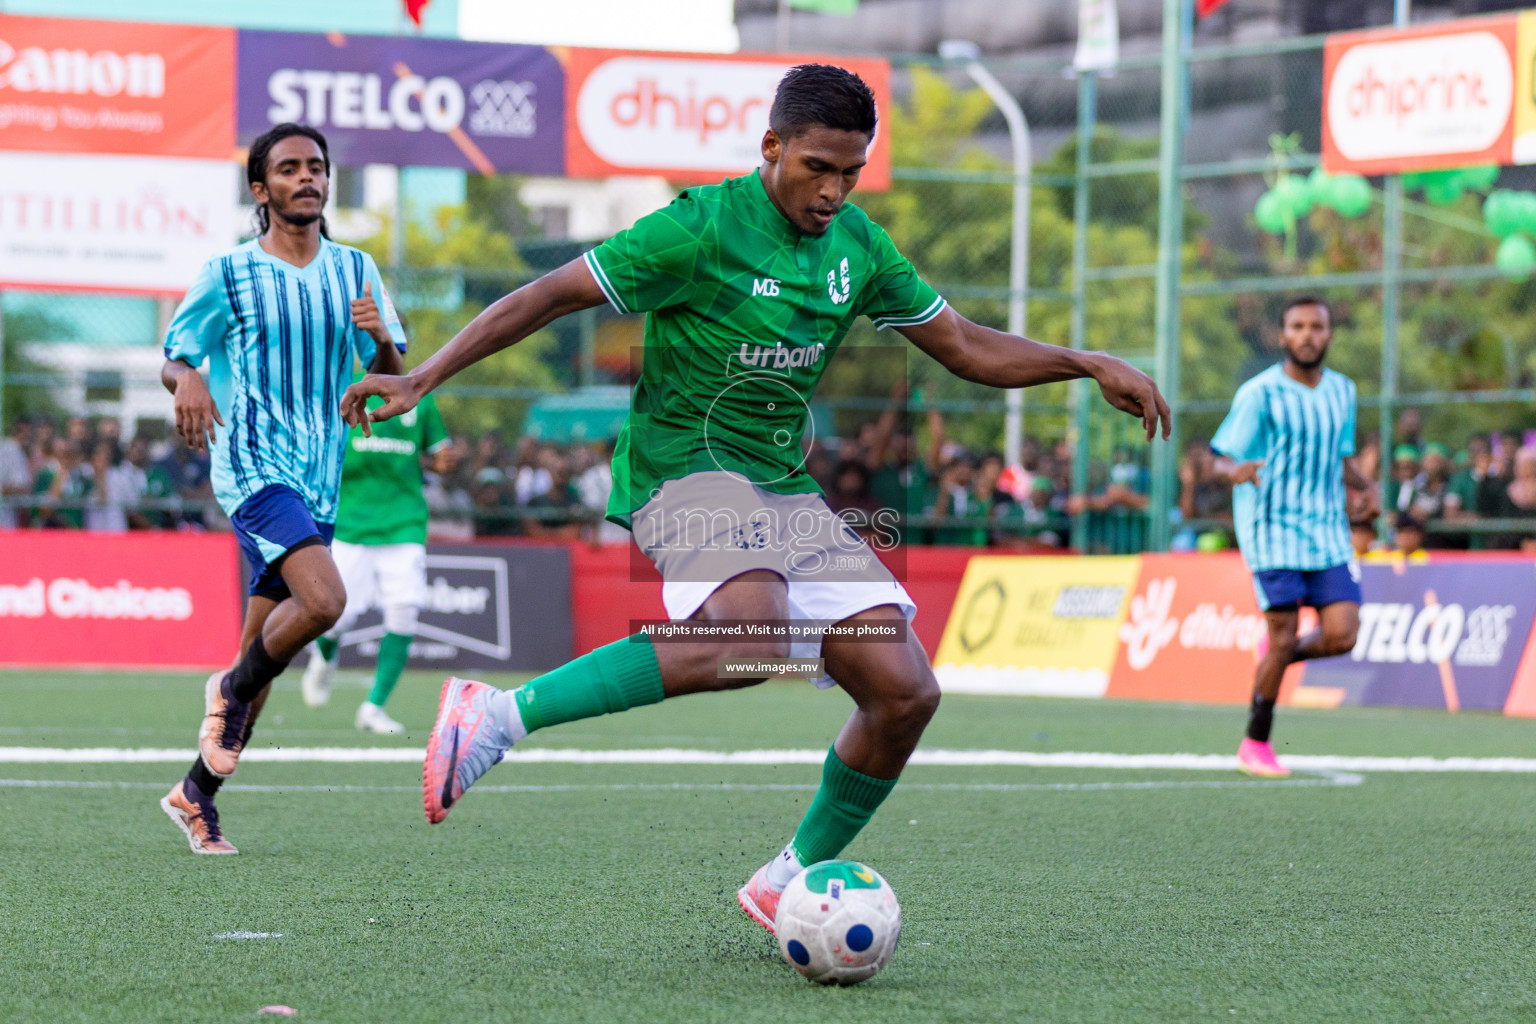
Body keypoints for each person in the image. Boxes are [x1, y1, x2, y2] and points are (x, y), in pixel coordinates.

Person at [340, 64, 1168, 932]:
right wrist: (424, 376)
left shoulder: (860, 249)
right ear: (771, 147)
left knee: (904, 691)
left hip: (780, 487)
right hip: (682, 468)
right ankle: (496, 716)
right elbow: (551, 295)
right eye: (817, 167)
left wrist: (1084, 362)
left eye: (850, 172)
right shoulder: (696, 229)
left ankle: (790, 878)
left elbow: (963, 345)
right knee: (753, 636)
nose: (833, 190)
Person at [157, 122, 405, 855]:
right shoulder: (228, 272)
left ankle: (195, 795)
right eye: (291, 168)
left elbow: (393, 378)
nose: (308, 178)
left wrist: (383, 342)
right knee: (326, 601)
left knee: (265, 648)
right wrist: (191, 377)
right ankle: (227, 690)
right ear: (262, 191)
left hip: (321, 473)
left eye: (317, 167)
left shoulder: (357, 268)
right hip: (255, 464)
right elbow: (175, 357)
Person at [1211, 296, 1376, 779]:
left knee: (1343, 634)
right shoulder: (1259, 394)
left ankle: (1277, 656)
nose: (1307, 335)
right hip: (1271, 531)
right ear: (1282, 336)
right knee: (1282, 634)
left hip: (1327, 531)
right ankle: (1256, 742)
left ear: (1329, 335)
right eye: (1297, 327)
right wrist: (1234, 470)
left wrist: (1367, 490)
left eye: (1316, 326)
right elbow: (1220, 456)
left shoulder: (1343, 391)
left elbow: (1341, 457)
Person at [300, 390, 451, 734]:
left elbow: (439, 454)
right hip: (352, 523)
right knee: (339, 614)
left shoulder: (420, 396)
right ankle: (324, 657)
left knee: (404, 611)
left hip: (404, 523)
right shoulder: (344, 389)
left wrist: (441, 460)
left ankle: (374, 706)